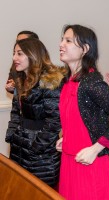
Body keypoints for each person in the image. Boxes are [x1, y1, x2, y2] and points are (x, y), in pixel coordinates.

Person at [56, 24, 109, 200]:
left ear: (85, 49)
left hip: (89, 163)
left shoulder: (91, 82)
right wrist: (66, 137)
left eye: (68, 41)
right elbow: (79, 119)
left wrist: (96, 148)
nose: (61, 44)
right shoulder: (67, 82)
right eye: (62, 40)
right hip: (68, 161)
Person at [5, 38, 65, 187]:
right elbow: (15, 112)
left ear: (33, 55)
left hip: (40, 153)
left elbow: (54, 121)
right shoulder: (20, 79)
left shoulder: (49, 80)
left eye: (19, 54)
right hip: (19, 146)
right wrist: (12, 134)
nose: (14, 58)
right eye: (14, 53)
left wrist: (36, 147)